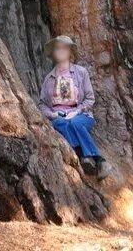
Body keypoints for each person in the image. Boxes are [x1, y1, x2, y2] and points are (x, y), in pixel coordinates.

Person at [38, 35, 108, 179]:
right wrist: (53, 115)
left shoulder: (81, 72)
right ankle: (85, 157)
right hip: (60, 117)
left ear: (71, 52)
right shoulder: (49, 79)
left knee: (75, 122)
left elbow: (90, 99)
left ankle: (97, 159)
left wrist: (77, 111)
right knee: (60, 123)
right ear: (53, 53)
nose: (61, 51)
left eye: (65, 48)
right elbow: (42, 105)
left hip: (81, 115)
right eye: (57, 48)